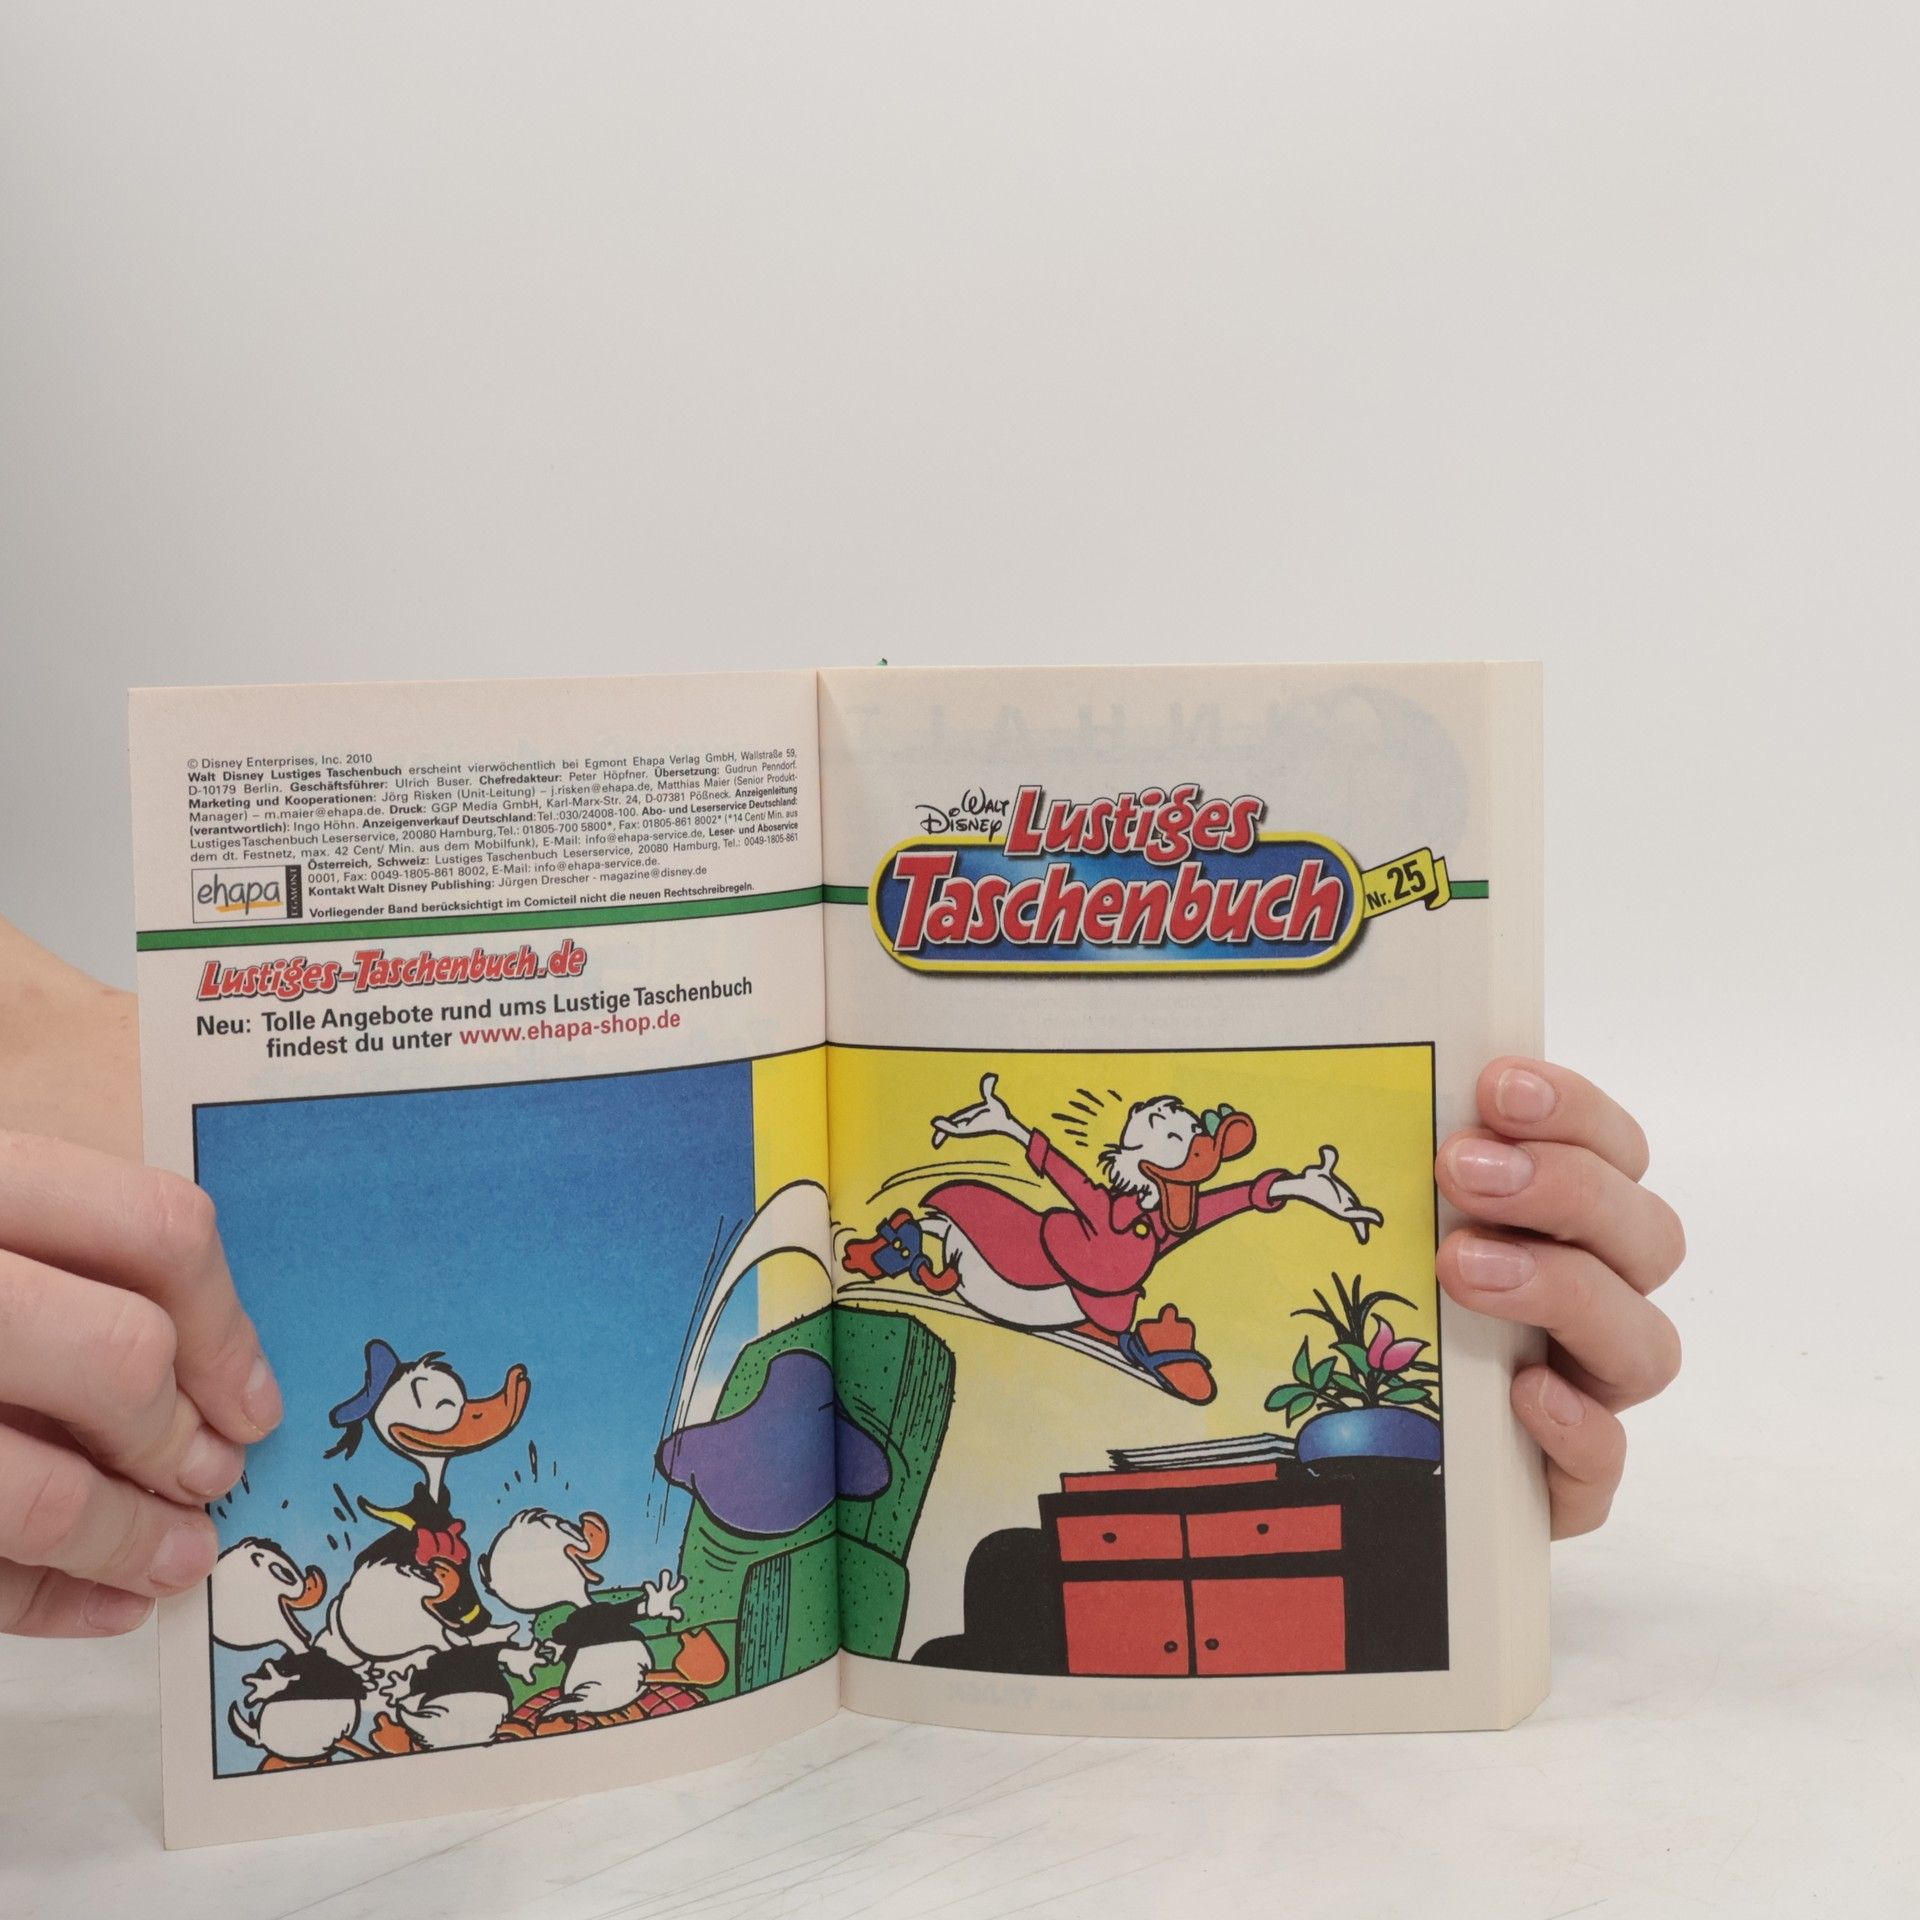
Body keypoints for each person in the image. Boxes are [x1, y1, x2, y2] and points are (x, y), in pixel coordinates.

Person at [0, 913, 1685, 1639]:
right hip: (1029, 1274)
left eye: (1169, 1131)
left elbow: (1203, 1205)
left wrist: (1379, 1224)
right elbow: (1058, 1187)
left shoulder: (1162, 1214)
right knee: (968, 1241)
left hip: (1076, 1302)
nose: (1157, 1136)